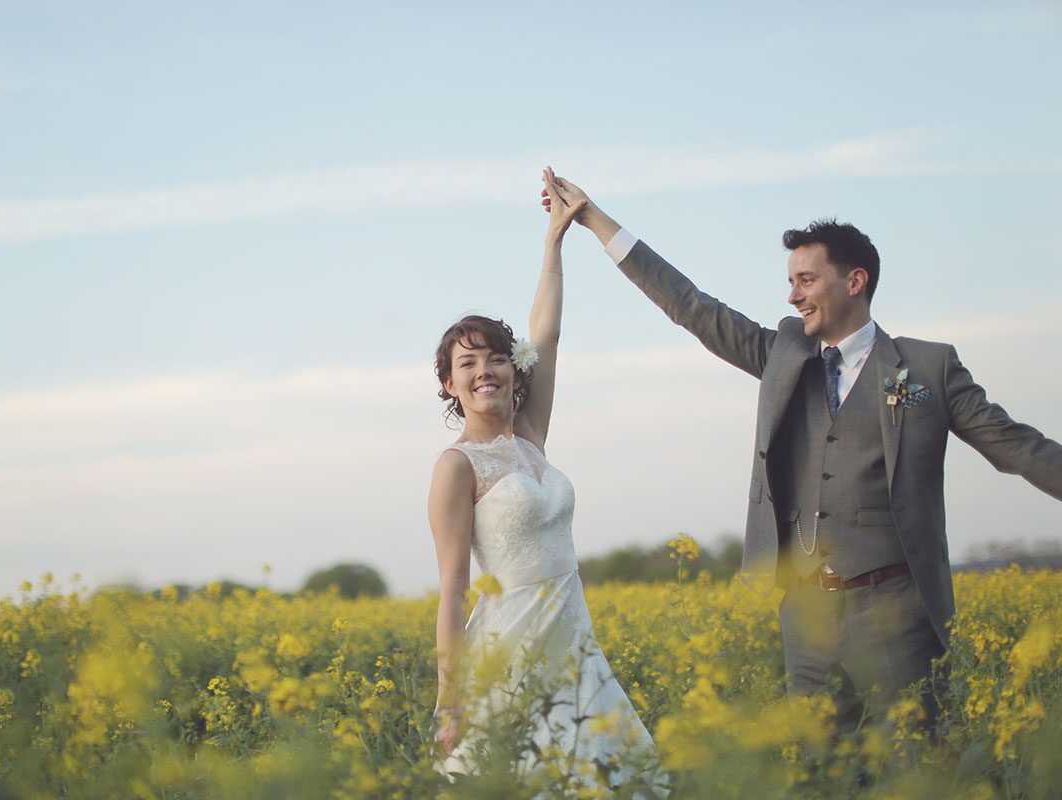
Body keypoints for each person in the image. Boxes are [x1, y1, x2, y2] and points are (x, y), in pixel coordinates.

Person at [540, 176, 1062, 732]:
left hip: (895, 612)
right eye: (790, 281)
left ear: (855, 281)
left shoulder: (927, 369)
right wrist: (596, 221)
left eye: (807, 280)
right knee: (817, 772)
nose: (793, 295)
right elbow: (691, 307)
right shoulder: (783, 354)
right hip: (805, 614)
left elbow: (1018, 447)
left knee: (915, 765)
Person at [428, 168, 666, 793]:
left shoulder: (530, 436)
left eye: (496, 357)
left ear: (514, 369)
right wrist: (451, 701)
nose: (485, 370)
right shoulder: (456, 468)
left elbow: (548, 335)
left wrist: (555, 240)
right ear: (451, 386)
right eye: (467, 363)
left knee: (616, 779)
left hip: (574, 642)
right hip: (510, 648)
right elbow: (453, 591)